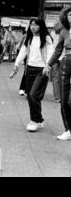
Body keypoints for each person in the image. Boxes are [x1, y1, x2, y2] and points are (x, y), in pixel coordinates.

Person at [12, 18, 53, 133]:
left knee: (33, 94)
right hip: (30, 68)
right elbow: (23, 51)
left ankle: (33, 121)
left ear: (41, 26)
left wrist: (48, 66)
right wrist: (16, 64)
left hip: (42, 70)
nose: (33, 27)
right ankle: (39, 119)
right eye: (31, 25)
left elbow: (50, 52)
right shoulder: (29, 37)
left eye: (35, 25)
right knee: (30, 96)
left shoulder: (46, 38)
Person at [44, 8, 71, 140]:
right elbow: (58, 50)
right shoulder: (64, 31)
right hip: (66, 63)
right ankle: (68, 129)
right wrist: (48, 64)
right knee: (64, 98)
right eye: (69, 15)